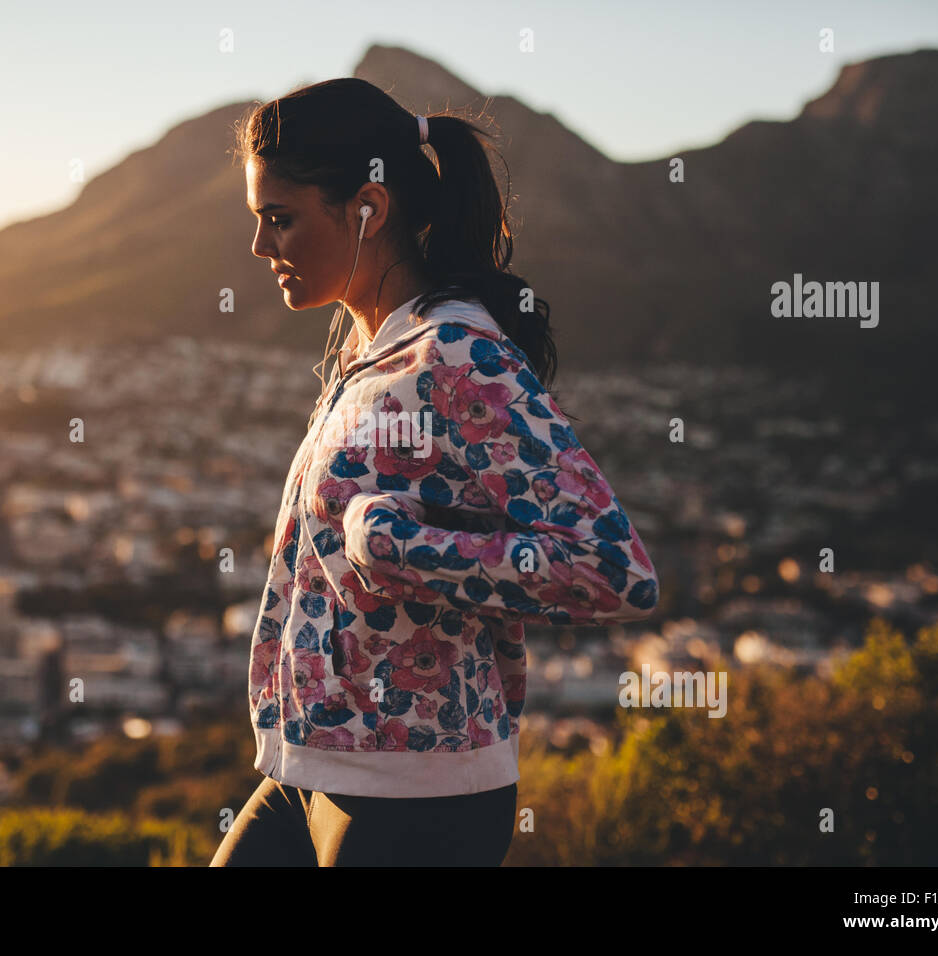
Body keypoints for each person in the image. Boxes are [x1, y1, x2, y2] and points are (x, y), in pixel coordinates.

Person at [211, 78, 658, 867]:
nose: (259, 246)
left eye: (279, 218)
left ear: (367, 208)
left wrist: (401, 550)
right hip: (310, 768)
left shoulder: (457, 356)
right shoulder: (372, 351)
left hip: (416, 795)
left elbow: (616, 571)